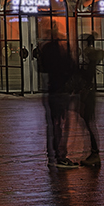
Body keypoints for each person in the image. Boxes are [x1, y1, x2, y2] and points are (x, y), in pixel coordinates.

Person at [34, 25, 77, 169]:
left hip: (51, 89)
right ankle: (60, 156)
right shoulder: (59, 49)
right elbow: (70, 67)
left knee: (53, 124)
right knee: (61, 124)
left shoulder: (45, 48)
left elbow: (42, 67)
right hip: (60, 89)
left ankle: (52, 155)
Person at [74, 34, 104, 167]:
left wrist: (78, 70)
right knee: (88, 122)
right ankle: (93, 152)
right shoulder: (90, 57)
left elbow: (87, 75)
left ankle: (94, 153)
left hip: (87, 93)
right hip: (88, 93)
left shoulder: (90, 58)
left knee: (88, 122)